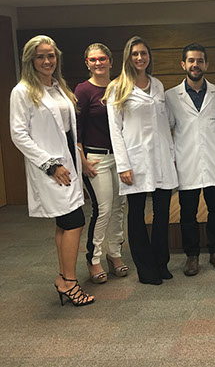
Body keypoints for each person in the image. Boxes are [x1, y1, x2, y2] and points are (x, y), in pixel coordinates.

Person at [10, 35, 94, 306]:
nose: (47, 61)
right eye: (40, 56)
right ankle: (70, 282)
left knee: (64, 222)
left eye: (51, 55)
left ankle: (63, 277)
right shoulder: (22, 91)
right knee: (74, 221)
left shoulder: (58, 87)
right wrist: (50, 164)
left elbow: (68, 131)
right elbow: (18, 134)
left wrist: (78, 159)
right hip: (52, 167)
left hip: (68, 162)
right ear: (30, 60)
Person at [104, 36, 178, 285]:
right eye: (135, 54)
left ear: (149, 57)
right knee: (136, 215)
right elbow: (115, 130)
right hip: (135, 160)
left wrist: (171, 156)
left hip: (161, 158)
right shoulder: (117, 87)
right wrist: (123, 165)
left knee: (162, 213)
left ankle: (161, 262)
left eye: (143, 53)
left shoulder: (157, 85)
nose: (139, 58)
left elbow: (164, 124)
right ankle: (146, 269)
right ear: (128, 57)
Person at [165, 43, 215, 276]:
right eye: (191, 60)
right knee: (188, 213)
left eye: (200, 60)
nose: (195, 65)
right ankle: (192, 256)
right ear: (183, 64)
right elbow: (168, 126)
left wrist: (209, 135)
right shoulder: (171, 96)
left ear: (206, 64)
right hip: (187, 161)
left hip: (213, 159)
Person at [75, 43, 128, 285]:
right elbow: (76, 130)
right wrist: (82, 161)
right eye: (93, 59)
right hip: (96, 159)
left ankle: (114, 254)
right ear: (87, 63)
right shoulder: (83, 90)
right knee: (103, 209)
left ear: (110, 61)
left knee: (119, 208)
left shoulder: (119, 87)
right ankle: (93, 258)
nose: (98, 63)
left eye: (102, 58)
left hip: (120, 157)